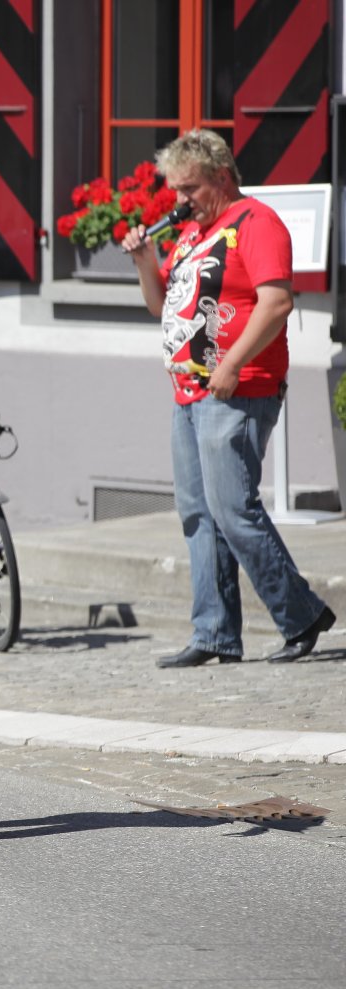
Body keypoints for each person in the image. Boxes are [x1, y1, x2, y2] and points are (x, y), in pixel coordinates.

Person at [121, 129, 335, 666]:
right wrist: (146, 260)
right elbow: (160, 305)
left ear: (221, 176)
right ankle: (214, 632)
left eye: (189, 188)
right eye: (176, 190)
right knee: (199, 514)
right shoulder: (193, 233)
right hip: (190, 391)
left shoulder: (256, 223)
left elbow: (277, 302)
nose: (180, 200)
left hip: (239, 388)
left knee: (233, 509)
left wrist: (233, 363)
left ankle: (301, 614)